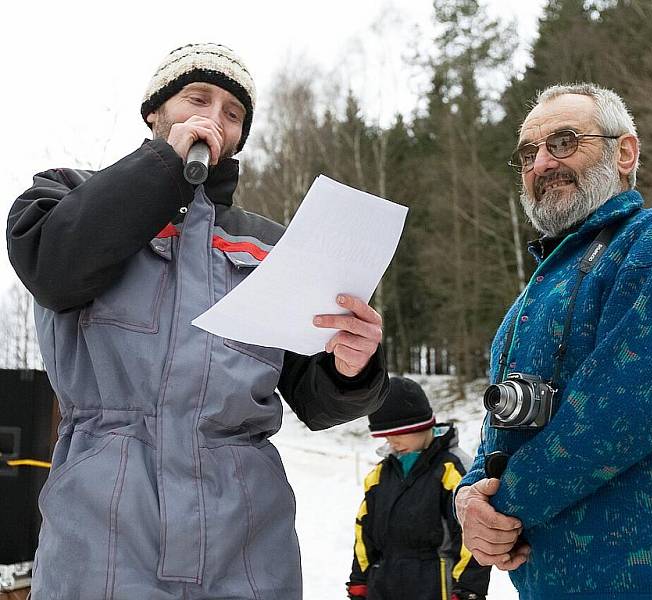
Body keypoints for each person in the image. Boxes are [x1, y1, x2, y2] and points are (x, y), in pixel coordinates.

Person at [6, 43, 389, 600]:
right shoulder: (63, 194)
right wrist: (163, 169)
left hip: (248, 539)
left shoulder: (272, 247)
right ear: (154, 112)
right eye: (197, 99)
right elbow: (52, 269)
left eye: (234, 113)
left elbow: (317, 399)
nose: (215, 118)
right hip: (103, 529)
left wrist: (353, 368)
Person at [454, 82, 652, 599]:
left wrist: (501, 507)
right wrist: (469, 500)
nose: (541, 164)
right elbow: (501, 433)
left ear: (624, 151)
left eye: (563, 142)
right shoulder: (527, 302)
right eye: (529, 153)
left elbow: (623, 412)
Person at [346, 376, 490, 600]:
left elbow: (470, 536)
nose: (391, 441)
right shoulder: (379, 476)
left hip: (435, 588)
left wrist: (467, 590)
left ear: (420, 426)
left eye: (397, 433)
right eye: (385, 435)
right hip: (383, 587)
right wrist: (358, 582)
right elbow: (363, 534)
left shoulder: (451, 471)